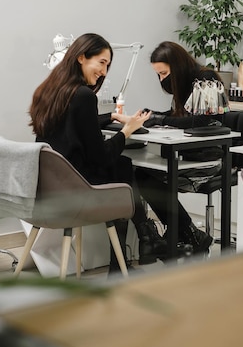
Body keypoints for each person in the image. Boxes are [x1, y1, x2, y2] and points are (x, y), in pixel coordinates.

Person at [29, 33, 167, 273]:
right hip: (76, 191)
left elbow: (71, 124)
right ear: (81, 57)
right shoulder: (83, 95)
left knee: (119, 167)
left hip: (48, 188)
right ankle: (135, 245)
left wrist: (111, 116)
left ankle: (142, 237)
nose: (104, 72)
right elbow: (101, 157)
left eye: (107, 66)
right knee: (120, 166)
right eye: (102, 63)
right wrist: (127, 130)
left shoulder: (49, 90)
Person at [135, 41, 227, 254]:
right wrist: (154, 115)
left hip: (208, 160)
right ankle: (189, 233)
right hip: (186, 156)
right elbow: (180, 118)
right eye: (158, 75)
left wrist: (161, 120)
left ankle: (187, 233)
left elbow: (204, 120)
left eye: (164, 73)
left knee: (150, 179)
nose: (162, 79)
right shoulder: (185, 83)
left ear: (177, 66)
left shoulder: (207, 79)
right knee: (141, 175)